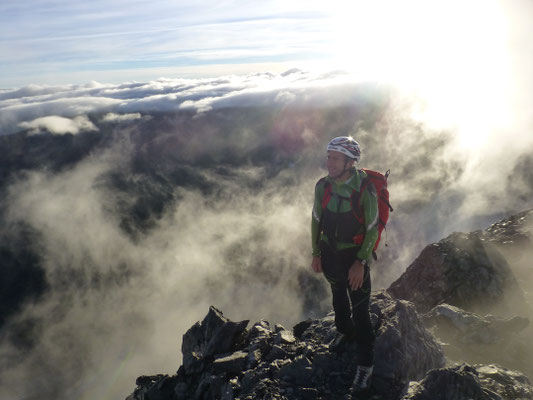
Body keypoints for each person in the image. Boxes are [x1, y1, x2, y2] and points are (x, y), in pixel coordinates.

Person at [310, 136, 379, 393]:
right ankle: (345, 332)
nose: (329, 162)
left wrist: (360, 263)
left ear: (350, 162)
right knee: (338, 300)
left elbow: (372, 229)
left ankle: (365, 367)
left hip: (354, 259)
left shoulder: (364, 189)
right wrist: (316, 253)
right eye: (328, 157)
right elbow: (316, 220)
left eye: (335, 158)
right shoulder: (323, 186)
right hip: (330, 255)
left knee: (361, 312)